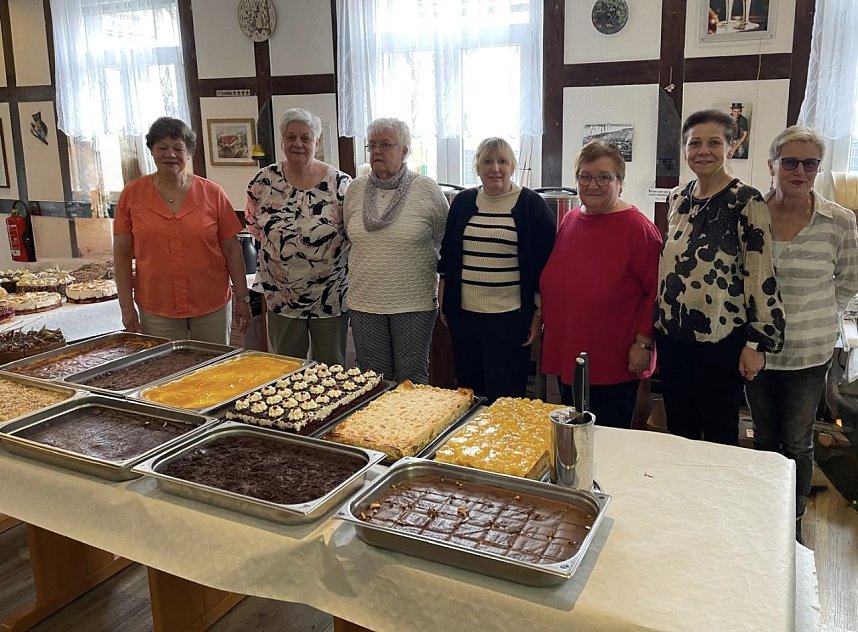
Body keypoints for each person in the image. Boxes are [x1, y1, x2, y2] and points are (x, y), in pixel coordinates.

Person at [745, 126, 858, 527]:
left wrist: (819, 316)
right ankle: (761, 514)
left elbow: (847, 281)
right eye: (790, 161)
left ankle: (790, 518)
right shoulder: (750, 213)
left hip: (810, 352)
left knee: (797, 440)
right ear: (772, 164)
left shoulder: (839, 221)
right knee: (763, 438)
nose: (799, 170)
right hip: (757, 351)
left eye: (810, 163)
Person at [654, 109, 784, 445]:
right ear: (685, 150)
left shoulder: (746, 200)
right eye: (694, 143)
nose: (703, 151)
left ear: (731, 147)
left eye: (714, 142)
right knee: (678, 432)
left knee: (719, 434)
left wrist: (758, 343)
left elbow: (761, 273)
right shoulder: (678, 198)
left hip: (721, 339)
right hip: (673, 337)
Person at [540, 140, 662, 427]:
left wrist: (644, 345)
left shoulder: (637, 228)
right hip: (571, 350)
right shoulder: (570, 220)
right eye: (585, 176)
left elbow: (656, 292)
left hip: (613, 358)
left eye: (604, 177)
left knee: (609, 439)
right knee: (576, 433)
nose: (593, 184)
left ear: (620, 182)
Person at [114, 117, 250, 344]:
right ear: (152, 151)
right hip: (156, 305)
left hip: (210, 302)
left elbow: (232, 250)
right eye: (162, 147)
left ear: (189, 154)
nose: (170, 154)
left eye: (178, 148)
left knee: (213, 370)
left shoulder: (213, 193)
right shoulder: (132, 195)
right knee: (166, 373)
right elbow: (122, 254)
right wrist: (126, 306)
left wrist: (243, 299)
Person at [438, 137, 555, 403]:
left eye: (502, 161)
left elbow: (543, 266)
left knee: (505, 397)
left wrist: (538, 315)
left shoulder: (531, 205)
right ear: (477, 167)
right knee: (469, 393)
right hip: (464, 316)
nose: (495, 168)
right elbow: (448, 255)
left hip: (510, 320)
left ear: (512, 166)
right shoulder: (463, 202)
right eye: (487, 161)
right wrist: (445, 302)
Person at [343, 117, 448, 383]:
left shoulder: (426, 189)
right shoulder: (355, 189)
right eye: (372, 145)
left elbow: (443, 238)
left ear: (404, 151)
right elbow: (350, 233)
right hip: (365, 302)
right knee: (372, 379)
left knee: (411, 379)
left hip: (413, 303)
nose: (377, 151)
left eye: (386, 145)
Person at [245, 108, 351, 365]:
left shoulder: (341, 184)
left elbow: (352, 233)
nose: (298, 144)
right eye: (290, 137)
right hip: (282, 297)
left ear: (317, 141)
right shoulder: (262, 182)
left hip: (330, 296)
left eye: (305, 137)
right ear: (281, 141)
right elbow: (254, 227)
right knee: (285, 369)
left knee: (332, 369)